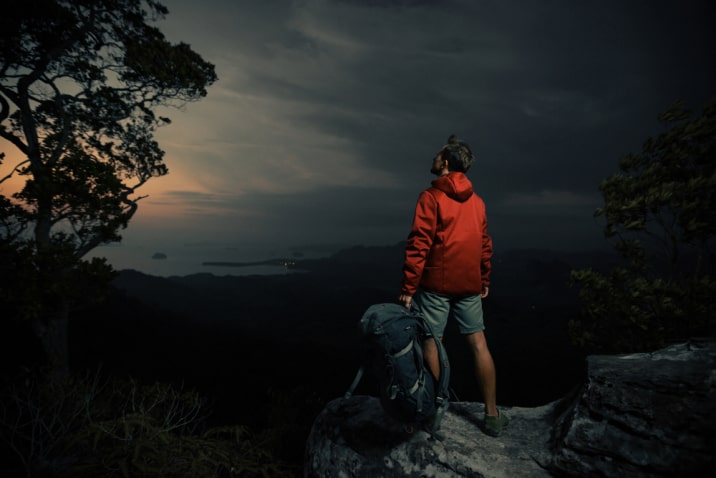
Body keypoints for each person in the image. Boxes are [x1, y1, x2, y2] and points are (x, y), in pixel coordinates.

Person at [398, 134, 509, 437]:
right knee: (478, 344)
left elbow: (419, 244)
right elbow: (484, 244)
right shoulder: (478, 202)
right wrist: (483, 278)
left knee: (432, 343)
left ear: (445, 163)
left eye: (437, 155)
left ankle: (434, 412)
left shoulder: (430, 197)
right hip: (470, 284)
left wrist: (409, 287)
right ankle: (492, 415)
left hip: (436, 285)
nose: (433, 159)